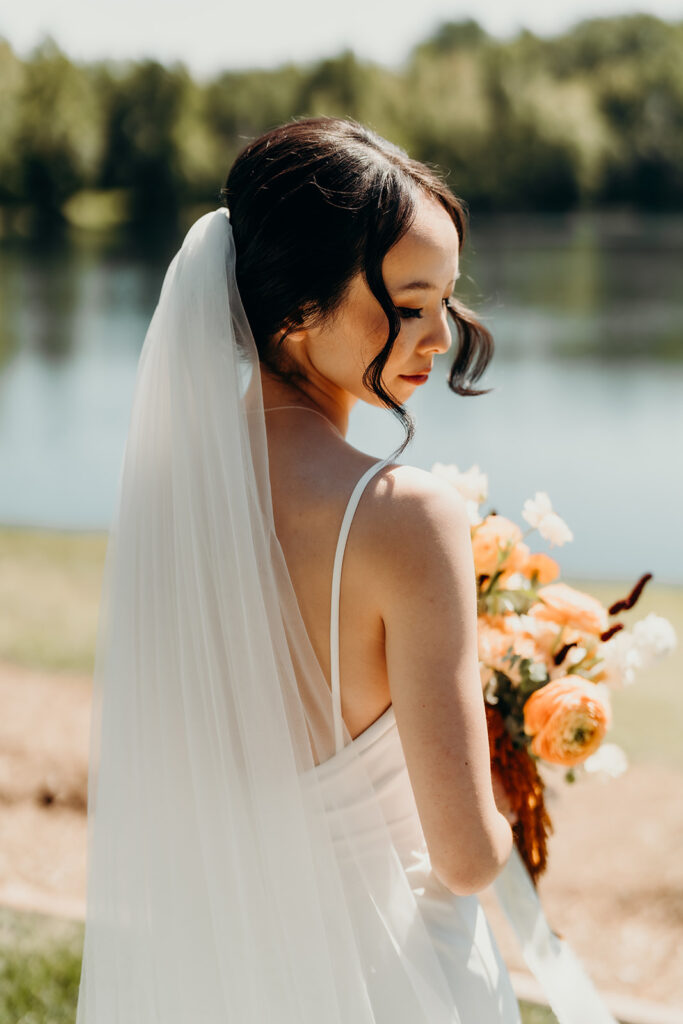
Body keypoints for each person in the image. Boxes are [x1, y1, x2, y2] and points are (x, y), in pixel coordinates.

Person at [76, 117, 616, 1024]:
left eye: (445, 300)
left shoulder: (171, 501)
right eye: (408, 304)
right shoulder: (403, 518)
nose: (438, 337)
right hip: (390, 973)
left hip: (220, 968)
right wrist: (505, 783)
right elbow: (464, 859)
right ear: (296, 310)